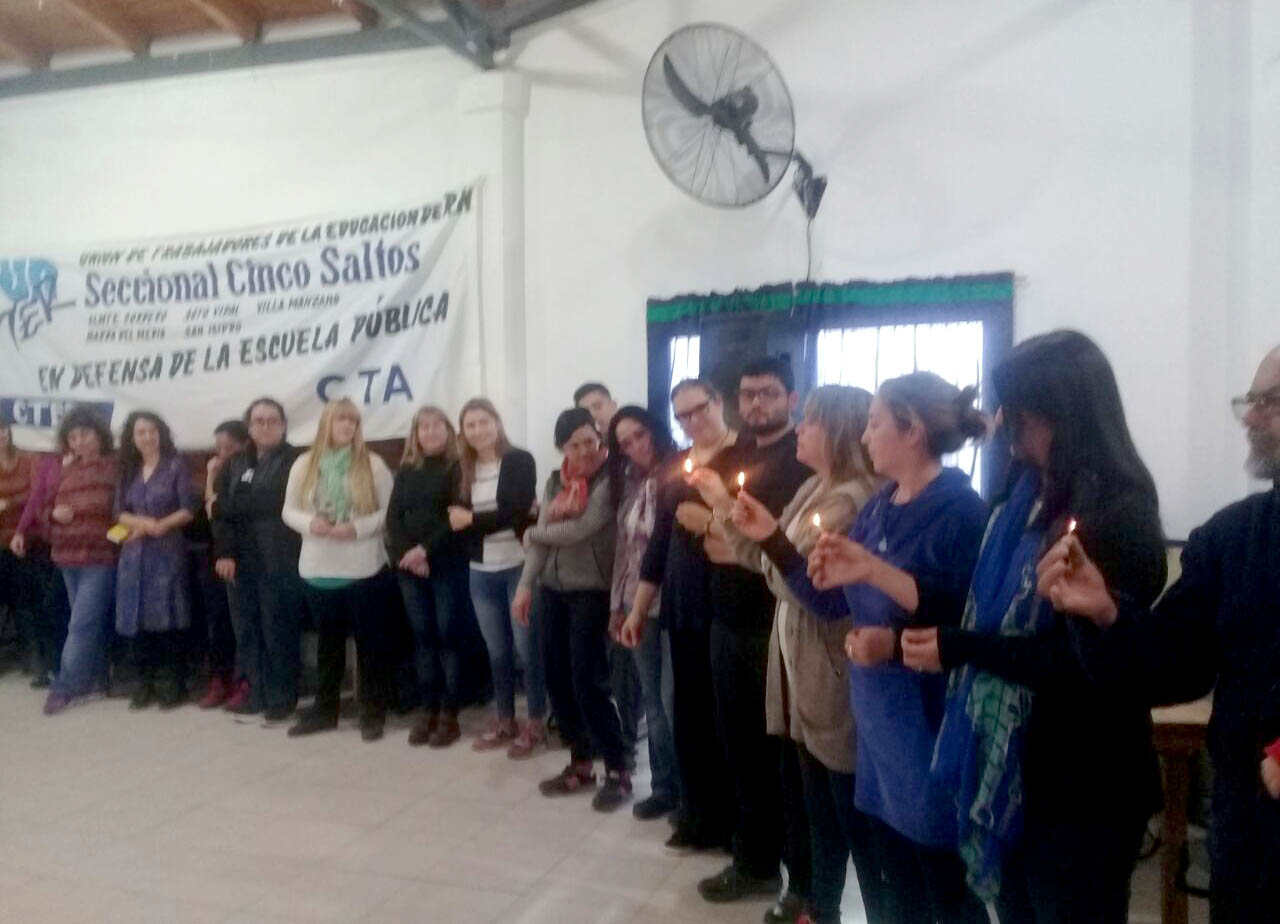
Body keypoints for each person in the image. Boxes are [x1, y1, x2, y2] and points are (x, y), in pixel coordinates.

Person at [895, 332, 1167, 923]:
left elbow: (1079, 664)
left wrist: (963, 648)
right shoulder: (1026, 495)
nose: (1010, 436)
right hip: (1015, 764)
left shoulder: (1121, 512)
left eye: (1021, 418)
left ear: (1065, 414)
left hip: (1082, 777)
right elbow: (981, 601)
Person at [1038, 344, 1280, 924]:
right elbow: (1177, 662)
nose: (1250, 417)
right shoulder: (1234, 538)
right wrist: (1106, 614)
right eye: (1249, 401)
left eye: (1268, 402)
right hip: (1252, 840)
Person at [736, 371, 990, 923]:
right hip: (876, 719)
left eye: (875, 424)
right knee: (890, 876)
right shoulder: (882, 506)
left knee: (941, 884)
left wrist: (890, 637)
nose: (866, 436)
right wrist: (771, 539)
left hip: (926, 718)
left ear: (913, 430)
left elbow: (959, 613)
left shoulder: (959, 507)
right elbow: (828, 601)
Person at [688, 385, 881, 924]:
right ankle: (815, 903)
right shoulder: (817, 487)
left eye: (811, 421)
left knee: (842, 810)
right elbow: (765, 559)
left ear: (839, 431)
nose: (800, 428)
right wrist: (731, 512)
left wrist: (771, 551)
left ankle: (828, 904)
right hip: (796, 657)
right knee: (808, 798)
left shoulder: (850, 499)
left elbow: (809, 587)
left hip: (829, 663)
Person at [685, 357, 815, 904]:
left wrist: (727, 524)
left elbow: (777, 546)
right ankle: (753, 861)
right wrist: (731, 528)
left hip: (774, 625)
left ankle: (799, 883)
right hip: (725, 618)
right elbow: (691, 523)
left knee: (780, 763)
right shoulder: (734, 453)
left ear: (791, 396)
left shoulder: (801, 459)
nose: (756, 403)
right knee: (738, 749)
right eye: (747, 394)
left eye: (767, 393)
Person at [629, 378, 738, 855]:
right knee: (687, 717)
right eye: (683, 416)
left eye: (700, 410)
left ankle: (734, 823)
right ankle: (698, 815)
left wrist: (714, 514)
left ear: (719, 403)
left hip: (727, 607)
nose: (693, 422)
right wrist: (638, 608)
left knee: (725, 721)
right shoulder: (678, 464)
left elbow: (754, 533)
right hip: (681, 606)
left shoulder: (745, 457)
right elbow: (658, 543)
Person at [514, 408, 631, 810]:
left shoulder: (613, 475)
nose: (584, 450)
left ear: (600, 437)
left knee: (588, 681)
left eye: (590, 441)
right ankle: (580, 763)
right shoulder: (556, 480)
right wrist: (525, 585)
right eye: (574, 444)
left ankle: (618, 768)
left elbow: (583, 527)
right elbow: (545, 544)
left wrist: (531, 530)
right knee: (557, 680)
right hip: (553, 588)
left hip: (592, 591)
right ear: (562, 447)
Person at [283, 398, 394, 741]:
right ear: (326, 424)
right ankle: (325, 710)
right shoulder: (304, 465)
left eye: (354, 422)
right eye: (341, 420)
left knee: (370, 646)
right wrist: (310, 522)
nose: (348, 427)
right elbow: (288, 510)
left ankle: (372, 712)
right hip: (319, 567)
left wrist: (357, 528)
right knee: (327, 646)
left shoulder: (373, 465)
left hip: (362, 567)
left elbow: (387, 513)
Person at [448, 397, 546, 757]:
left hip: (519, 566)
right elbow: (455, 521)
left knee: (527, 649)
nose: (478, 430)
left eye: (483, 422)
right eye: (470, 425)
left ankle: (535, 721)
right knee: (497, 651)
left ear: (497, 422)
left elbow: (516, 510)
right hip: (480, 572)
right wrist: (476, 522)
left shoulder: (519, 459)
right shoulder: (461, 469)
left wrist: (473, 520)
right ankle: (505, 719)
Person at [607, 405, 681, 821]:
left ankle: (689, 791)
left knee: (673, 702)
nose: (635, 445)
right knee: (651, 701)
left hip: (673, 602)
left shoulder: (679, 471)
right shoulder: (630, 481)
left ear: (654, 430)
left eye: (640, 434)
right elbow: (624, 548)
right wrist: (618, 605)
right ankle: (663, 787)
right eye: (625, 442)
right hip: (636, 604)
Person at [210, 398, 305, 720]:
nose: (265, 426)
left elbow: (278, 502)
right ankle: (256, 691)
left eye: (272, 420)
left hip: (279, 560)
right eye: (258, 420)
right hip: (238, 562)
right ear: (249, 426)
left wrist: (228, 505)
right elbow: (218, 515)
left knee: (278, 630)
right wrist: (224, 552)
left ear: (283, 425)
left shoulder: (298, 460)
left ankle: (282, 697)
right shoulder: (235, 462)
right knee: (247, 630)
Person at [387, 405, 471, 748]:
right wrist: (407, 555)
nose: (430, 432)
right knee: (422, 640)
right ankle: (427, 708)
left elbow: (456, 518)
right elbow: (393, 518)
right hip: (411, 569)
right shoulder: (407, 469)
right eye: (423, 427)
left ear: (449, 431)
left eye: (438, 426)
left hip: (447, 565)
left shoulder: (457, 468)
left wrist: (425, 551)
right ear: (415, 434)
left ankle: (450, 713)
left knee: (448, 639)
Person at [36, 405, 119, 715]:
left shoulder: (115, 468)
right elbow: (44, 512)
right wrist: (53, 515)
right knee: (87, 623)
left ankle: (65, 686)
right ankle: (95, 680)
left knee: (80, 624)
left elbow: (124, 509)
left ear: (98, 435)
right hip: (65, 557)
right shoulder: (65, 470)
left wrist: (116, 539)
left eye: (85, 434)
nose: (79, 441)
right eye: (73, 437)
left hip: (99, 558)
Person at [575, 382, 644, 756]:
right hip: (602, 578)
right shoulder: (588, 467)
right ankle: (613, 736)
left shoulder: (634, 457)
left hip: (637, 579)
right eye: (587, 412)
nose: (595, 416)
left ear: (613, 405)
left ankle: (629, 740)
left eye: (598, 406)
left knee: (628, 666)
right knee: (607, 666)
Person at [115, 411, 198, 710]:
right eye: (141, 432)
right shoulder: (128, 469)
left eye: (152, 430)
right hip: (134, 555)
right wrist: (142, 524)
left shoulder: (176, 465)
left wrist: (159, 525)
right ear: (132, 438)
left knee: (168, 618)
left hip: (167, 551)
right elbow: (119, 512)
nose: (147, 436)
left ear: (160, 433)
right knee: (137, 621)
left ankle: (171, 684)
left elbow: (188, 508)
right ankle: (144, 684)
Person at [194, 419, 248, 709]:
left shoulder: (247, 472)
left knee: (243, 625)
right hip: (216, 556)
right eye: (218, 448)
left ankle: (244, 680)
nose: (223, 453)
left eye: (229, 447)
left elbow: (231, 513)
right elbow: (208, 514)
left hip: (244, 556)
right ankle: (219, 678)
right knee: (217, 622)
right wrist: (210, 477)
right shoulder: (217, 473)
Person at [10, 449, 70, 690]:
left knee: (67, 607)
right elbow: (35, 499)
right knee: (50, 606)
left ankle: (72, 667)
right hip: (47, 542)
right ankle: (53, 665)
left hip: (81, 544)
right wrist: (20, 531)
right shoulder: (49, 461)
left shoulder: (93, 461)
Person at [0, 412, 38, 675]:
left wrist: (9, 503)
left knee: (24, 597)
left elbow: (36, 495)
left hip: (27, 536)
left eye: (2, 428)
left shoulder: (29, 458)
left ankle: (32, 654)